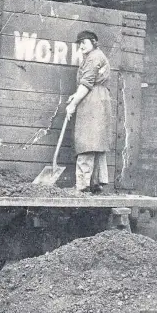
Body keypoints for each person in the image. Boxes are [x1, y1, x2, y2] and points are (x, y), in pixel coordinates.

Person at [66, 30, 112, 193]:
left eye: (84, 42)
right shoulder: (97, 56)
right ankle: (96, 182)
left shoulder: (93, 58)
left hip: (92, 102)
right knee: (96, 141)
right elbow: (88, 83)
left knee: (87, 141)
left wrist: (73, 104)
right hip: (99, 99)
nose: (81, 46)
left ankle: (83, 184)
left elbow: (86, 84)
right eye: (79, 43)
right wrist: (75, 95)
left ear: (94, 42)